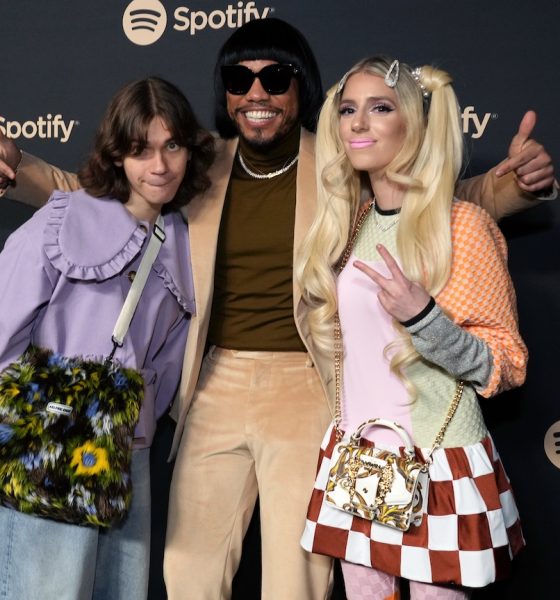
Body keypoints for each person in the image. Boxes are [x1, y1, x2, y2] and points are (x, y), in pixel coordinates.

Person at [0, 18, 555, 600]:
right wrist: (18, 169)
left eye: (275, 77)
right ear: (227, 93)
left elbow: (433, 198)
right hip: (214, 381)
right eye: (240, 78)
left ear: (302, 87)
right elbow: (97, 190)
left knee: (298, 578)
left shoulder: (340, 164)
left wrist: (515, 185)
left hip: (305, 384)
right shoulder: (197, 162)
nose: (256, 93)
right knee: (188, 571)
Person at [298, 56, 528, 599]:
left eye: (380, 108)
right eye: (348, 109)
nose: (357, 124)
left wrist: (424, 318)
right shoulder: (351, 225)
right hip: (358, 459)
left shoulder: (461, 226)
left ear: (415, 124)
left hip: (437, 464)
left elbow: (506, 365)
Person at [0, 77, 214, 600]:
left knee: (118, 590)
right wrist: (30, 416)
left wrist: (132, 422)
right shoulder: (63, 218)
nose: (159, 166)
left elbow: (169, 363)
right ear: (117, 154)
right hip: (50, 441)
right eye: (141, 150)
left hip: (125, 453)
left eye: (172, 146)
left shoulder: (186, 240)